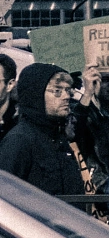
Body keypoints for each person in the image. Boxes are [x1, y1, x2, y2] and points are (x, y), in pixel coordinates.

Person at [0, 64, 84, 196]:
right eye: (57, 91)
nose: (66, 96)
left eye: (68, 90)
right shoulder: (19, 139)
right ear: (35, 94)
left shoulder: (59, 138)